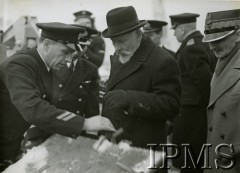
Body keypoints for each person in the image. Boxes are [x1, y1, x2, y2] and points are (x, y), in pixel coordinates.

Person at [0, 22, 115, 172]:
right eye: (65, 52)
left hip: (11, 145)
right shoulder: (20, 65)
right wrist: (84, 123)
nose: (69, 59)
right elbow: (33, 109)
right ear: (47, 44)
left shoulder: (43, 66)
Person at [101, 5, 181, 154]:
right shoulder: (123, 54)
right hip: (114, 142)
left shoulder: (162, 60)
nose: (117, 47)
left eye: (121, 41)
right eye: (114, 42)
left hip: (142, 149)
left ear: (137, 34)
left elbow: (171, 105)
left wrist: (129, 98)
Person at [169, 13, 215, 173]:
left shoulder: (190, 48)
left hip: (191, 116)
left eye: (174, 30)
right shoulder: (203, 43)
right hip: (197, 114)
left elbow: (205, 81)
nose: (174, 34)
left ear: (181, 29)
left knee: (189, 162)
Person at [202, 9, 240, 173]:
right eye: (210, 40)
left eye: (219, 39)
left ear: (238, 34)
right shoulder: (222, 62)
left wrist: (235, 149)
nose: (211, 46)